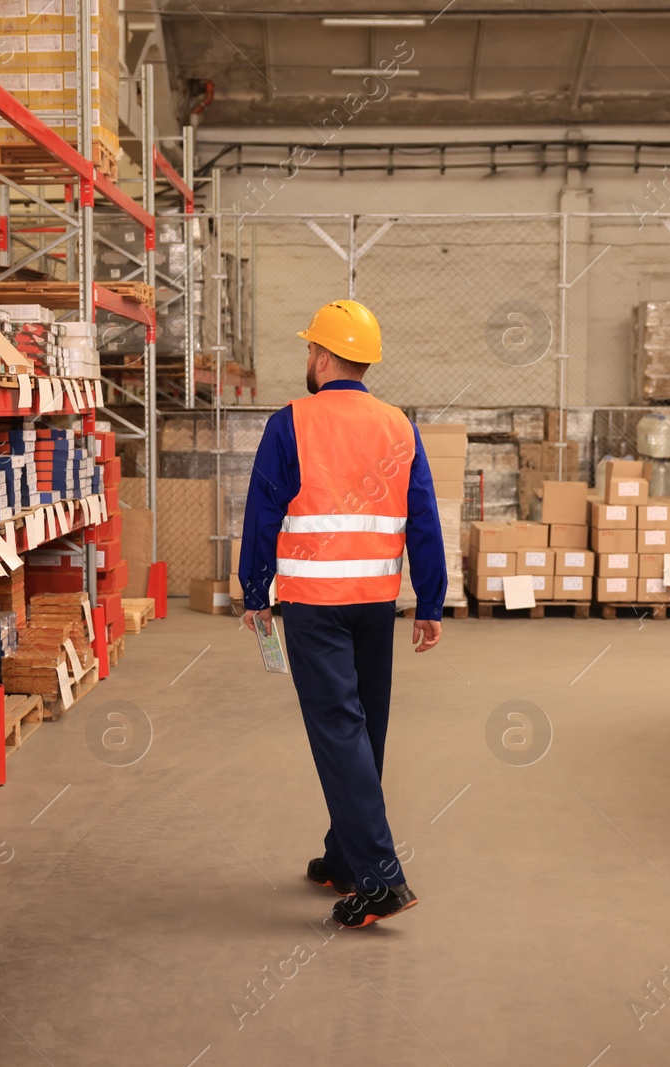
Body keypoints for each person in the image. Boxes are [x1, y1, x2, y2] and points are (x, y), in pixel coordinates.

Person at [238, 299, 447, 929]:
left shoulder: (290, 423)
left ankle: (381, 881)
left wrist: (255, 592)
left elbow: (262, 515)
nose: (307, 357)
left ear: (323, 355)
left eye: (309, 348)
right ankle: (344, 857)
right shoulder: (398, 426)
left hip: (315, 607)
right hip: (374, 606)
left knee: (338, 730)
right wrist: (429, 602)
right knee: (365, 730)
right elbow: (425, 519)